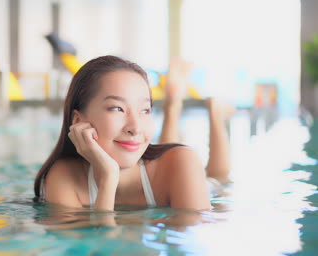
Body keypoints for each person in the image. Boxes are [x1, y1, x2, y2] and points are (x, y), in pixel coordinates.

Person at [34, 55, 233, 211]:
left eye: (145, 110)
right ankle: (173, 104)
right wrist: (108, 179)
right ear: (78, 121)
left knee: (219, 178)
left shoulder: (183, 161)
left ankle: (213, 111)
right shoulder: (63, 176)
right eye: (117, 108)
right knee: (169, 159)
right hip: (164, 171)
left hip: (201, 184)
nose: (135, 126)